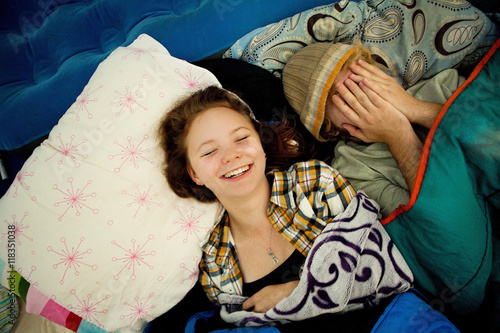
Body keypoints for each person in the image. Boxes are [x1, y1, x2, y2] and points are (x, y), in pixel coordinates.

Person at [155, 85, 405, 332]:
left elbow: (387, 272)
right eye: (209, 151)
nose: (231, 156)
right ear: (194, 174)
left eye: (242, 138)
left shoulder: (315, 183)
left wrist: (293, 292)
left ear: (261, 143)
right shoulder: (214, 260)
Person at [282, 41, 465, 217]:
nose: (368, 94)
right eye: (349, 98)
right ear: (331, 130)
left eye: (363, 79)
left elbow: (490, 135)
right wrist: (397, 134)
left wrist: (416, 108)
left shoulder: (444, 86)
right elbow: (444, 215)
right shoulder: (354, 170)